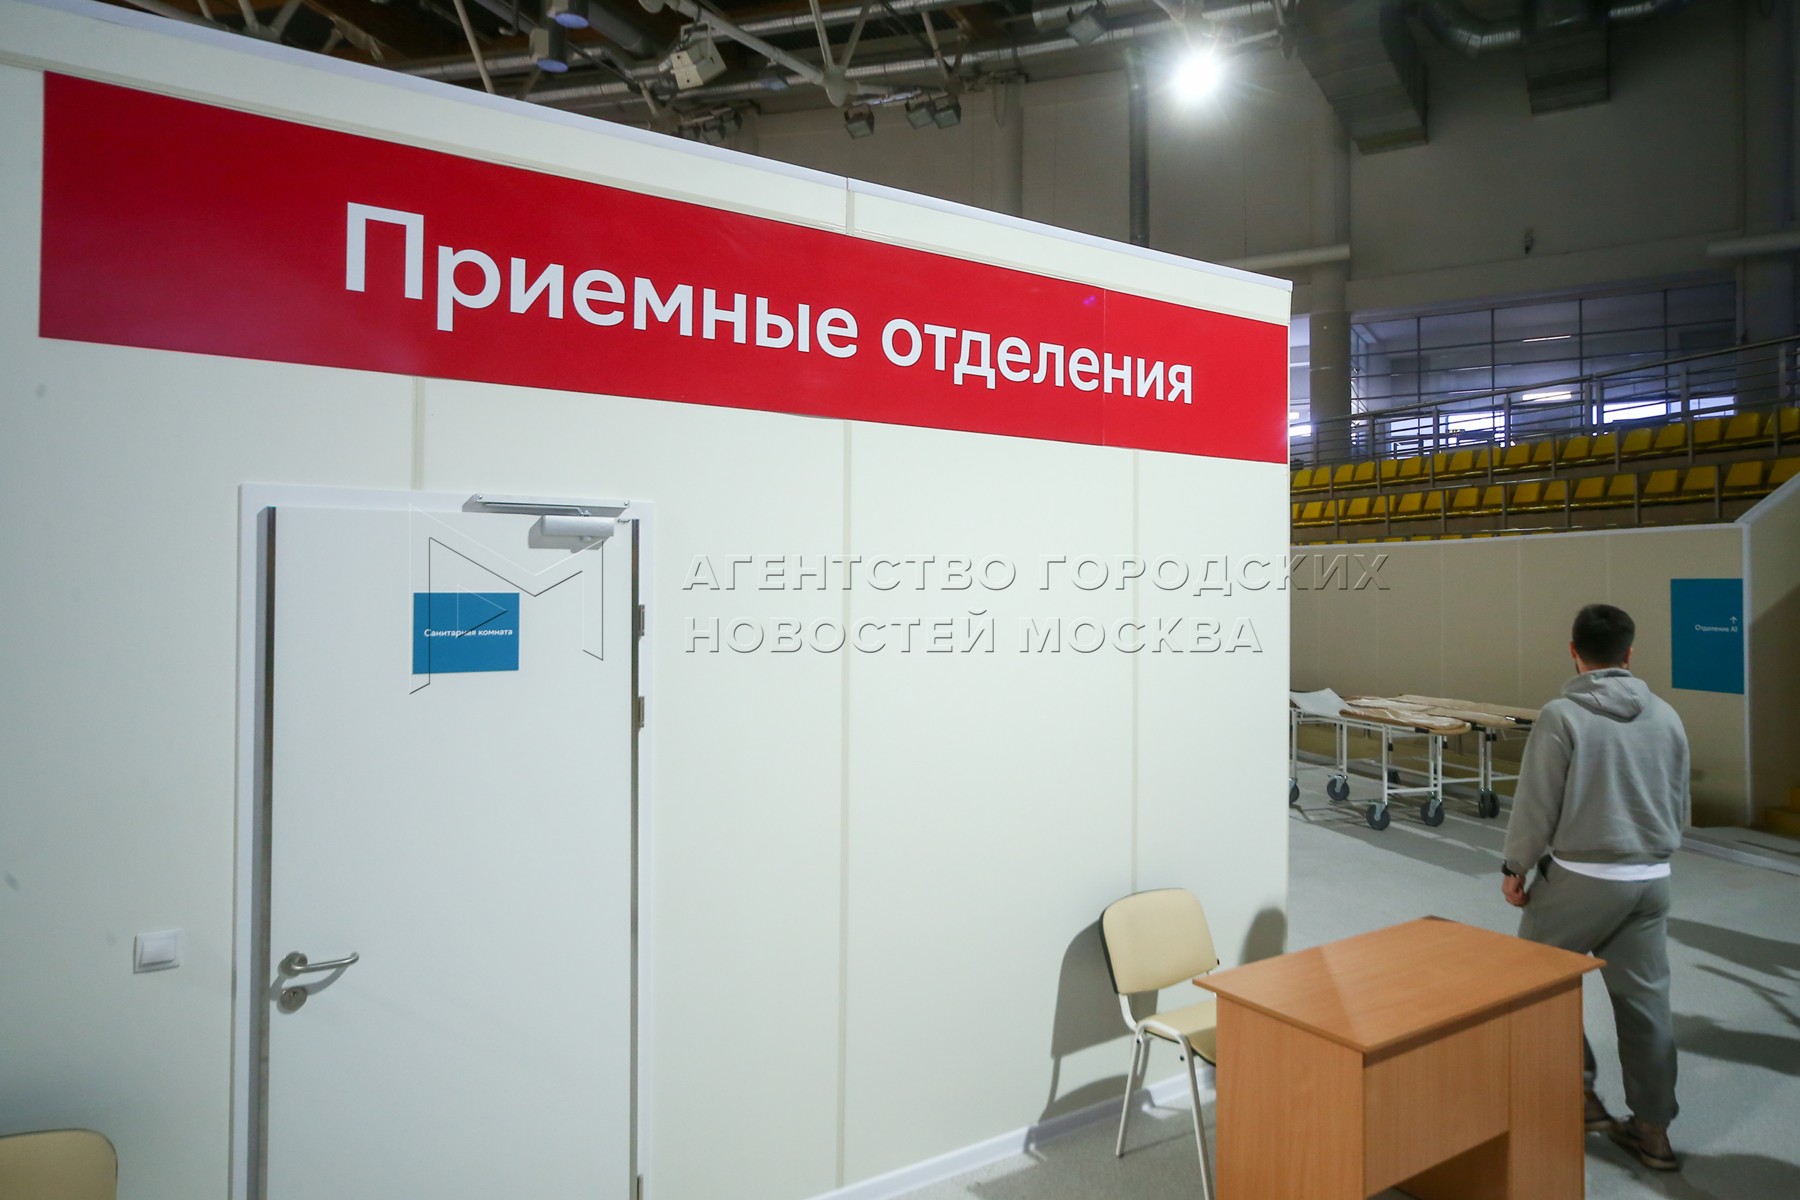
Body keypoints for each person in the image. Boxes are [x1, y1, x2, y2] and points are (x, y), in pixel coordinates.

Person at [1500, 603, 1689, 1172]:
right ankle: (1653, 1132)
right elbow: (1679, 804)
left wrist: (1515, 866)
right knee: (1647, 1004)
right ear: (1629, 654)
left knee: (1533, 982)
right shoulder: (1666, 716)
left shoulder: (1562, 716)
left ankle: (1580, 1096)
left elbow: (1537, 802)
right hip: (1652, 879)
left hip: (1582, 879)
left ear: (1573, 651)